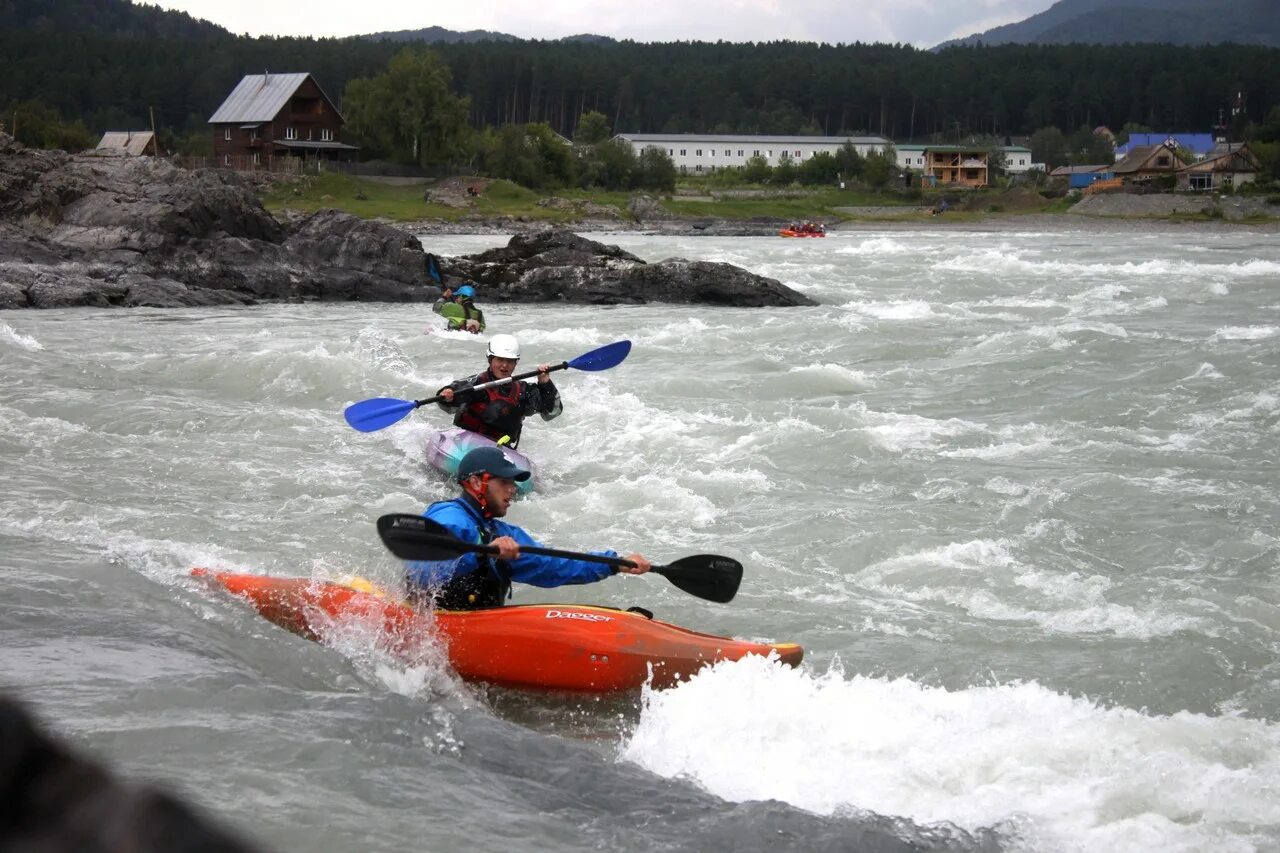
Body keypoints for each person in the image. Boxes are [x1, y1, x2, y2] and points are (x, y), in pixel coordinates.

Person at [407, 446, 651, 609]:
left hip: (476, 623)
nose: (513, 489)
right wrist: (482, 552)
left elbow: (550, 565)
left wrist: (614, 564)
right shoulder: (449, 518)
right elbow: (423, 572)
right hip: (437, 624)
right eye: (504, 482)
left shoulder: (502, 533)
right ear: (475, 483)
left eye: (513, 483)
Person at [435, 334, 560, 449]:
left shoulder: (523, 390)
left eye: (510, 361)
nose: (505, 365)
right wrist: (449, 394)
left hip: (501, 448)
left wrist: (545, 383)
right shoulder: (477, 383)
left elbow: (551, 412)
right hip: (466, 443)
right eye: (500, 359)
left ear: (515, 363)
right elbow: (452, 395)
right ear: (490, 360)